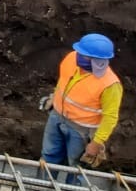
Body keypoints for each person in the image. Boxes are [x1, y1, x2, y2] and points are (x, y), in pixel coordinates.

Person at [40, 33, 122, 172]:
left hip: (81, 130)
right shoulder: (71, 58)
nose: (78, 56)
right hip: (57, 116)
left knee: (76, 167)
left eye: (83, 55)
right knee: (49, 155)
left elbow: (110, 117)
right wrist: (54, 98)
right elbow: (63, 80)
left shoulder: (110, 85)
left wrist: (96, 143)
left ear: (97, 60)